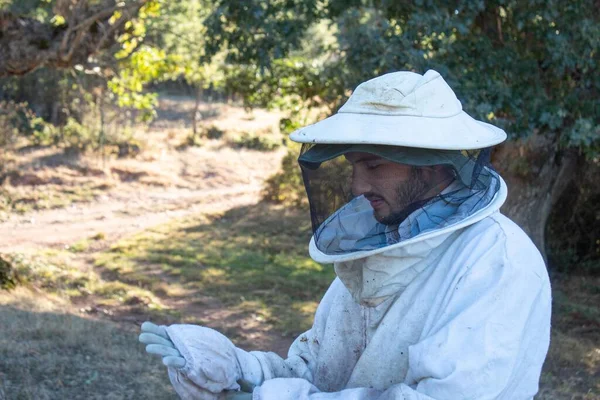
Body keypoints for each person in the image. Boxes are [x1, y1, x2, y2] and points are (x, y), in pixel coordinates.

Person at [139, 70, 551, 400]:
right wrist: (234, 368)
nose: (356, 187)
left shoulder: (497, 262)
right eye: (353, 167)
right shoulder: (380, 244)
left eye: (372, 167)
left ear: (428, 165)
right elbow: (318, 370)